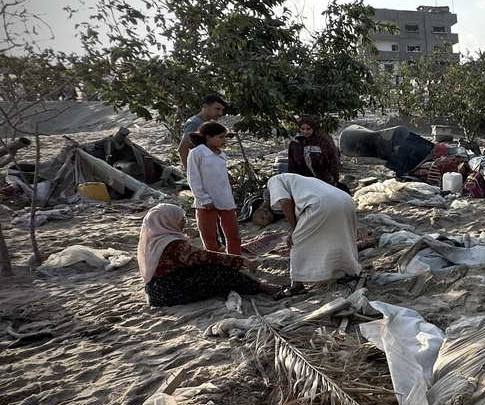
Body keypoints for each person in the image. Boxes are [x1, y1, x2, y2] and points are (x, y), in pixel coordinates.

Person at [138, 204, 280, 306]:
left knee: (214, 271)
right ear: (168, 221)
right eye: (181, 220)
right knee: (218, 271)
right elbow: (201, 257)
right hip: (168, 291)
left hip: (155, 291)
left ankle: (254, 285)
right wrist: (237, 260)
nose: (185, 223)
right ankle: (260, 287)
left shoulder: (154, 241)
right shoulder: (171, 243)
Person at [267, 172, 361, 296]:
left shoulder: (274, 180)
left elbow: (285, 202)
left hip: (321, 204)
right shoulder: (301, 181)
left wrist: (294, 230)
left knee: (297, 240)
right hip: (346, 200)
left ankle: (297, 286)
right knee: (342, 237)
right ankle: (352, 271)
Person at [186, 122, 243, 256]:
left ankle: (235, 260)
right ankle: (215, 263)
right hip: (206, 201)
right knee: (209, 237)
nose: (224, 140)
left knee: (233, 235)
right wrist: (203, 198)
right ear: (208, 137)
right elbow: (193, 178)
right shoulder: (197, 153)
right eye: (221, 137)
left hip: (224, 198)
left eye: (225, 137)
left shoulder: (221, 154)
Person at [287, 115, 342, 187]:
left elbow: (332, 160)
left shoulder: (322, 142)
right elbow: (292, 164)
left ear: (313, 128)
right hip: (303, 180)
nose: (305, 131)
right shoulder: (295, 144)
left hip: (323, 180)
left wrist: (334, 178)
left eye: (308, 129)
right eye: (302, 129)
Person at [178, 94, 227, 168]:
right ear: (205, 107)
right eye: (217, 109)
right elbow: (183, 149)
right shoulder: (195, 123)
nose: (220, 113)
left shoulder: (207, 123)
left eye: (222, 110)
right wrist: (190, 172)